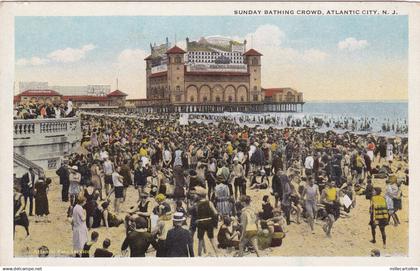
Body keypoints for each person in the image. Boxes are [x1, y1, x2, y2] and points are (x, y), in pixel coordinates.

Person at [194, 188, 219, 257]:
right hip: (209, 221)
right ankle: (217, 254)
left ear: (199, 196)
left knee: (200, 239)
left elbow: (196, 214)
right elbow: (216, 213)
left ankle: (199, 255)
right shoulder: (209, 202)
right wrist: (214, 222)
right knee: (212, 239)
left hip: (201, 222)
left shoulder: (196, 204)